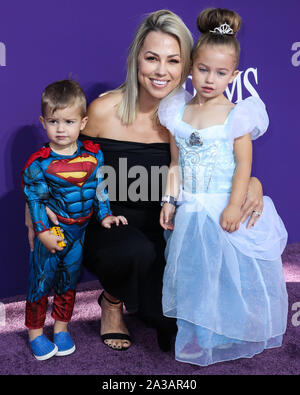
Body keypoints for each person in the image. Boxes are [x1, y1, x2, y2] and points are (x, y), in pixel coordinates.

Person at [25, 10, 265, 353]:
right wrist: (34, 211)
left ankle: (149, 298)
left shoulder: (190, 116)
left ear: (188, 65)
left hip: (165, 231)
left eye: (173, 60)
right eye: (152, 58)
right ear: (136, 58)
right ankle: (112, 300)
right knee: (130, 251)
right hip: (109, 230)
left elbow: (224, 162)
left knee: (166, 322)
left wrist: (253, 183)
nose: (161, 71)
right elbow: (57, 156)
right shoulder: (104, 110)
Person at [158, 8, 288, 366]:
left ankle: (226, 332)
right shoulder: (176, 111)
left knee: (226, 275)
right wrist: (169, 199)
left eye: (220, 72)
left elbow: (244, 164)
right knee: (194, 275)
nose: (210, 79)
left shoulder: (237, 115)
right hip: (190, 209)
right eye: (203, 69)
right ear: (190, 68)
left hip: (221, 206)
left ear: (233, 74)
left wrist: (233, 205)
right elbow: (176, 163)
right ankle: (200, 335)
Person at [22, 80, 127, 360]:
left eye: (68, 121)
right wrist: (43, 231)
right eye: (53, 121)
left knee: (68, 283)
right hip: (54, 231)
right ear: (43, 122)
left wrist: (105, 216)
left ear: (83, 122)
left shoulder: (93, 154)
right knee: (42, 282)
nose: (60, 129)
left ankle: (61, 328)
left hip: (79, 232)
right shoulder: (39, 163)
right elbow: (36, 201)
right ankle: (34, 332)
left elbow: (100, 190)